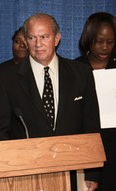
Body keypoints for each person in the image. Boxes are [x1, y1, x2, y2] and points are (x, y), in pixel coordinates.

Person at [0, 13, 100, 191]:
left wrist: (92, 173)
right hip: (25, 176)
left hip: (73, 173)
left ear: (57, 38)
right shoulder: (6, 79)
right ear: (25, 41)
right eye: (32, 37)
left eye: (44, 37)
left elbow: (91, 123)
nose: (38, 44)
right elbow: (0, 130)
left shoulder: (81, 73)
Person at [75, 12, 116, 191]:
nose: (105, 47)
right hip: (88, 146)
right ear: (88, 39)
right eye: (99, 41)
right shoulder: (75, 69)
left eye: (111, 41)